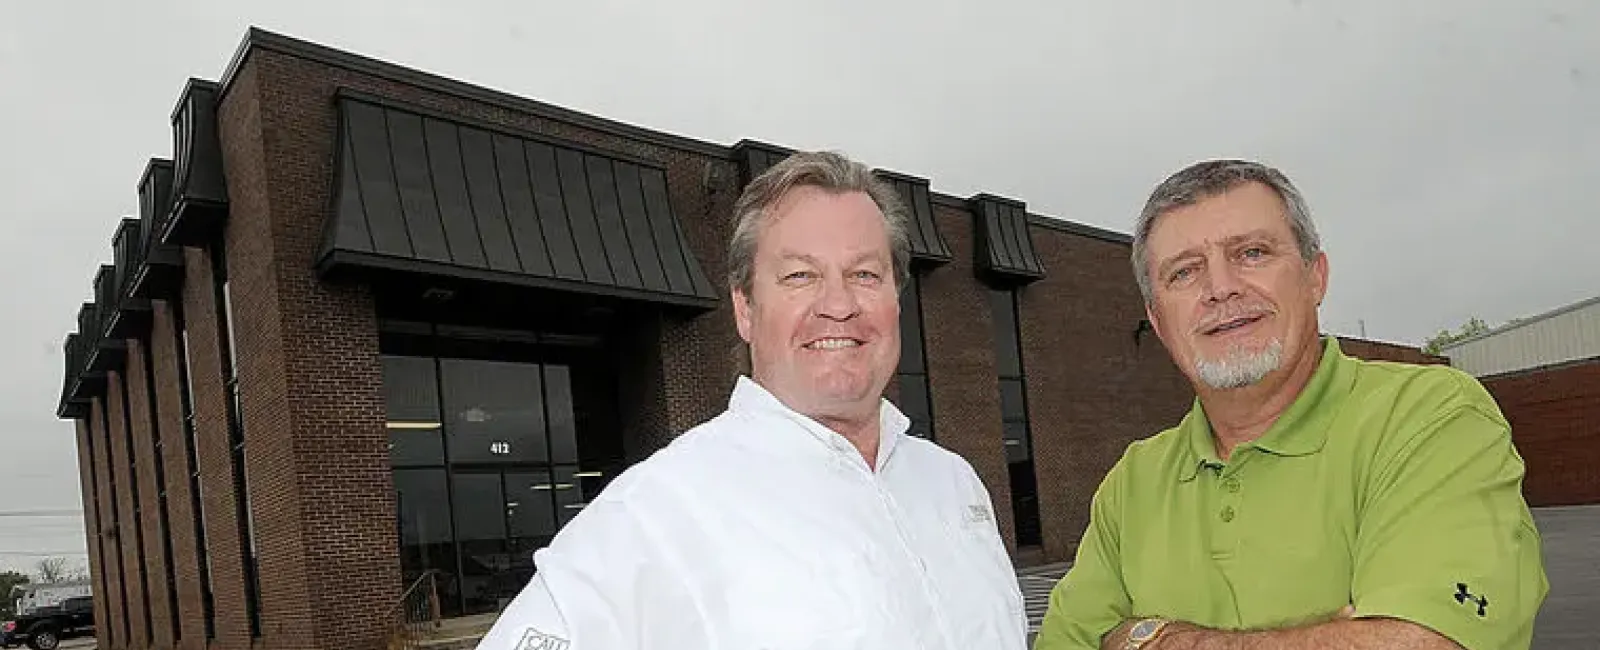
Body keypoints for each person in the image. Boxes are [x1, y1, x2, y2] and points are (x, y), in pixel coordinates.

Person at [474, 151, 1028, 650]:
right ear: (744, 309)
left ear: (894, 300)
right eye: (799, 275)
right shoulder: (657, 513)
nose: (838, 304)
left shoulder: (953, 484)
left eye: (864, 273)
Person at [1034, 160, 1549, 650]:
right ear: (1159, 318)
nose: (1221, 289)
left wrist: (1149, 636)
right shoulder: (1133, 482)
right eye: (1185, 273)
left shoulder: (1428, 417)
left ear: (1315, 276)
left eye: (1252, 253)